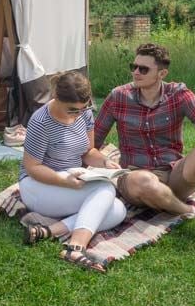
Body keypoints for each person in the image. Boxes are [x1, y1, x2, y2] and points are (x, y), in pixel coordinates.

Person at [94, 43, 195, 269]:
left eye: (143, 69)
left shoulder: (179, 94)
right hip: (136, 176)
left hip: (173, 172)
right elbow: (93, 139)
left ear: (162, 73)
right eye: (133, 66)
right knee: (143, 180)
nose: (135, 72)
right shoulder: (118, 96)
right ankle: (190, 210)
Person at [19, 71, 126, 273]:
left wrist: (104, 161)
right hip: (38, 185)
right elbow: (32, 168)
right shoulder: (40, 121)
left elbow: (87, 152)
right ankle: (75, 248)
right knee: (105, 191)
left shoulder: (84, 114)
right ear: (56, 98)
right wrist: (65, 181)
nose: (78, 114)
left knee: (118, 210)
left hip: (71, 179)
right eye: (72, 110)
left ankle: (48, 231)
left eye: (82, 109)